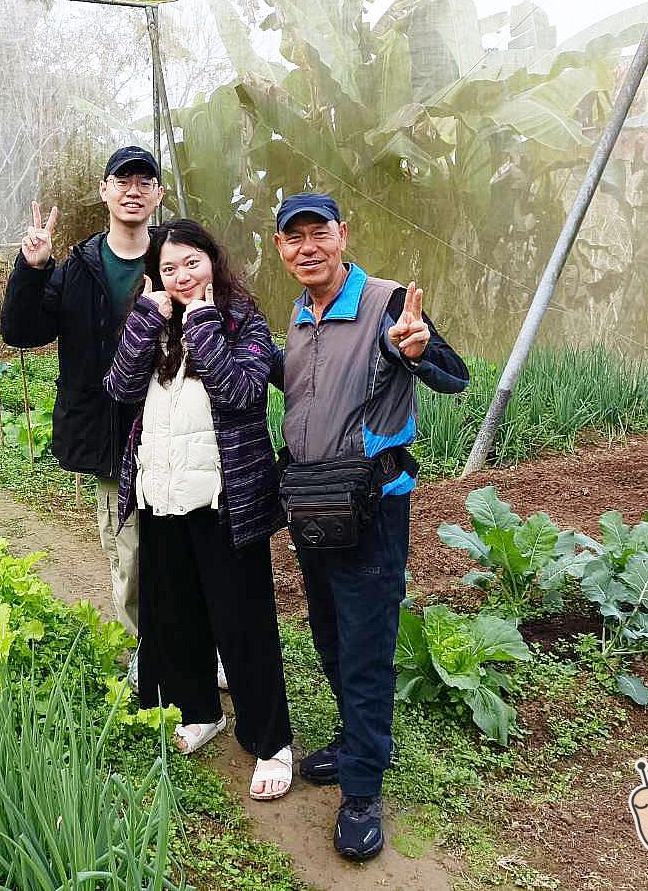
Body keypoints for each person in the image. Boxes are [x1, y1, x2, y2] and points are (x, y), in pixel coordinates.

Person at [271, 192, 470, 860]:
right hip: (311, 503)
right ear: (279, 249)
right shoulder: (299, 317)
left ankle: (361, 788)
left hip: (371, 505)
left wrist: (413, 351)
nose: (306, 247)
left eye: (316, 233)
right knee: (327, 630)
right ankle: (355, 742)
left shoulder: (387, 302)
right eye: (292, 237)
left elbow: (453, 376)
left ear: (341, 235)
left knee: (364, 643)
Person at [104, 219, 294, 801]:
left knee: (244, 623)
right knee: (177, 614)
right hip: (162, 495)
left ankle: (271, 741)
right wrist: (145, 320)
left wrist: (204, 325)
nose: (182, 276)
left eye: (192, 262)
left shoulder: (244, 321)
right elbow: (119, 386)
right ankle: (200, 711)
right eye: (168, 268)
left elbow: (240, 391)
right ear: (154, 276)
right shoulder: (154, 324)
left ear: (213, 260)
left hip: (225, 500)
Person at [1, 146, 164, 659]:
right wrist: (32, 267)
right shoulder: (79, 268)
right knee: (130, 550)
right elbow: (21, 331)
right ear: (105, 192)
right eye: (123, 181)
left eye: (144, 182)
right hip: (110, 433)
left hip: (173, 425)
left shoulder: (176, 258)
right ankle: (145, 654)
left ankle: (202, 650)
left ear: (158, 195)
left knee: (190, 543)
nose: (133, 191)